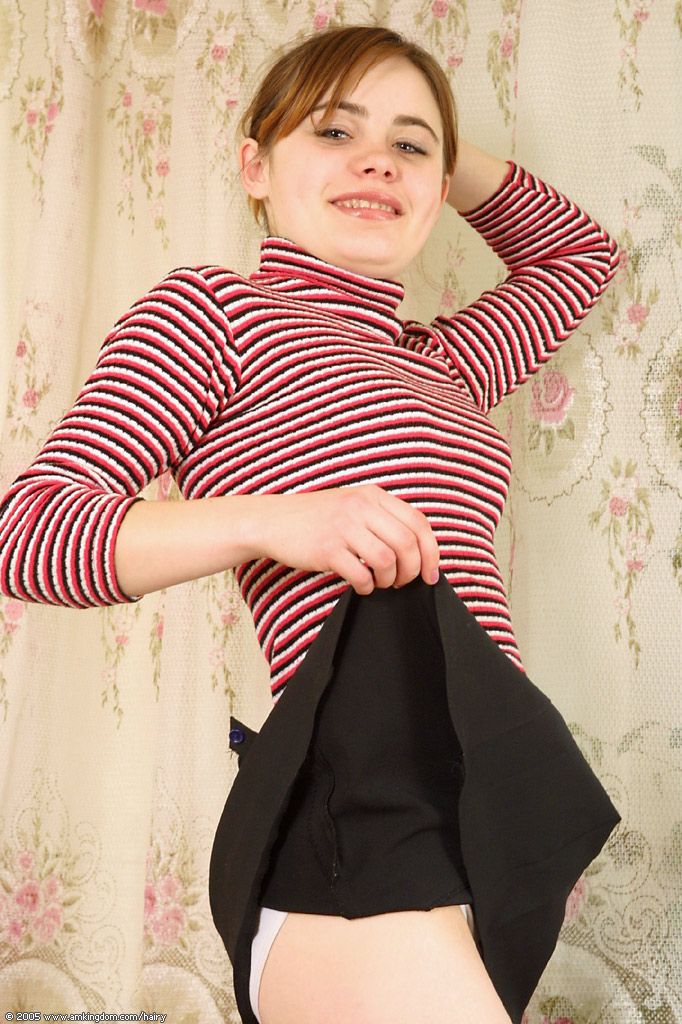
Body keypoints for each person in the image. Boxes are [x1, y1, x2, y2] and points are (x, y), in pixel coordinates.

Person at [0, 24, 622, 1024]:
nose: (376, 160)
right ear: (255, 165)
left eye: (408, 146)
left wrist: (424, 152)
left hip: (493, 805)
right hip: (360, 801)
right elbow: (29, 533)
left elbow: (577, 254)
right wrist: (278, 521)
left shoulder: (445, 363)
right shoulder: (215, 313)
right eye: (332, 132)